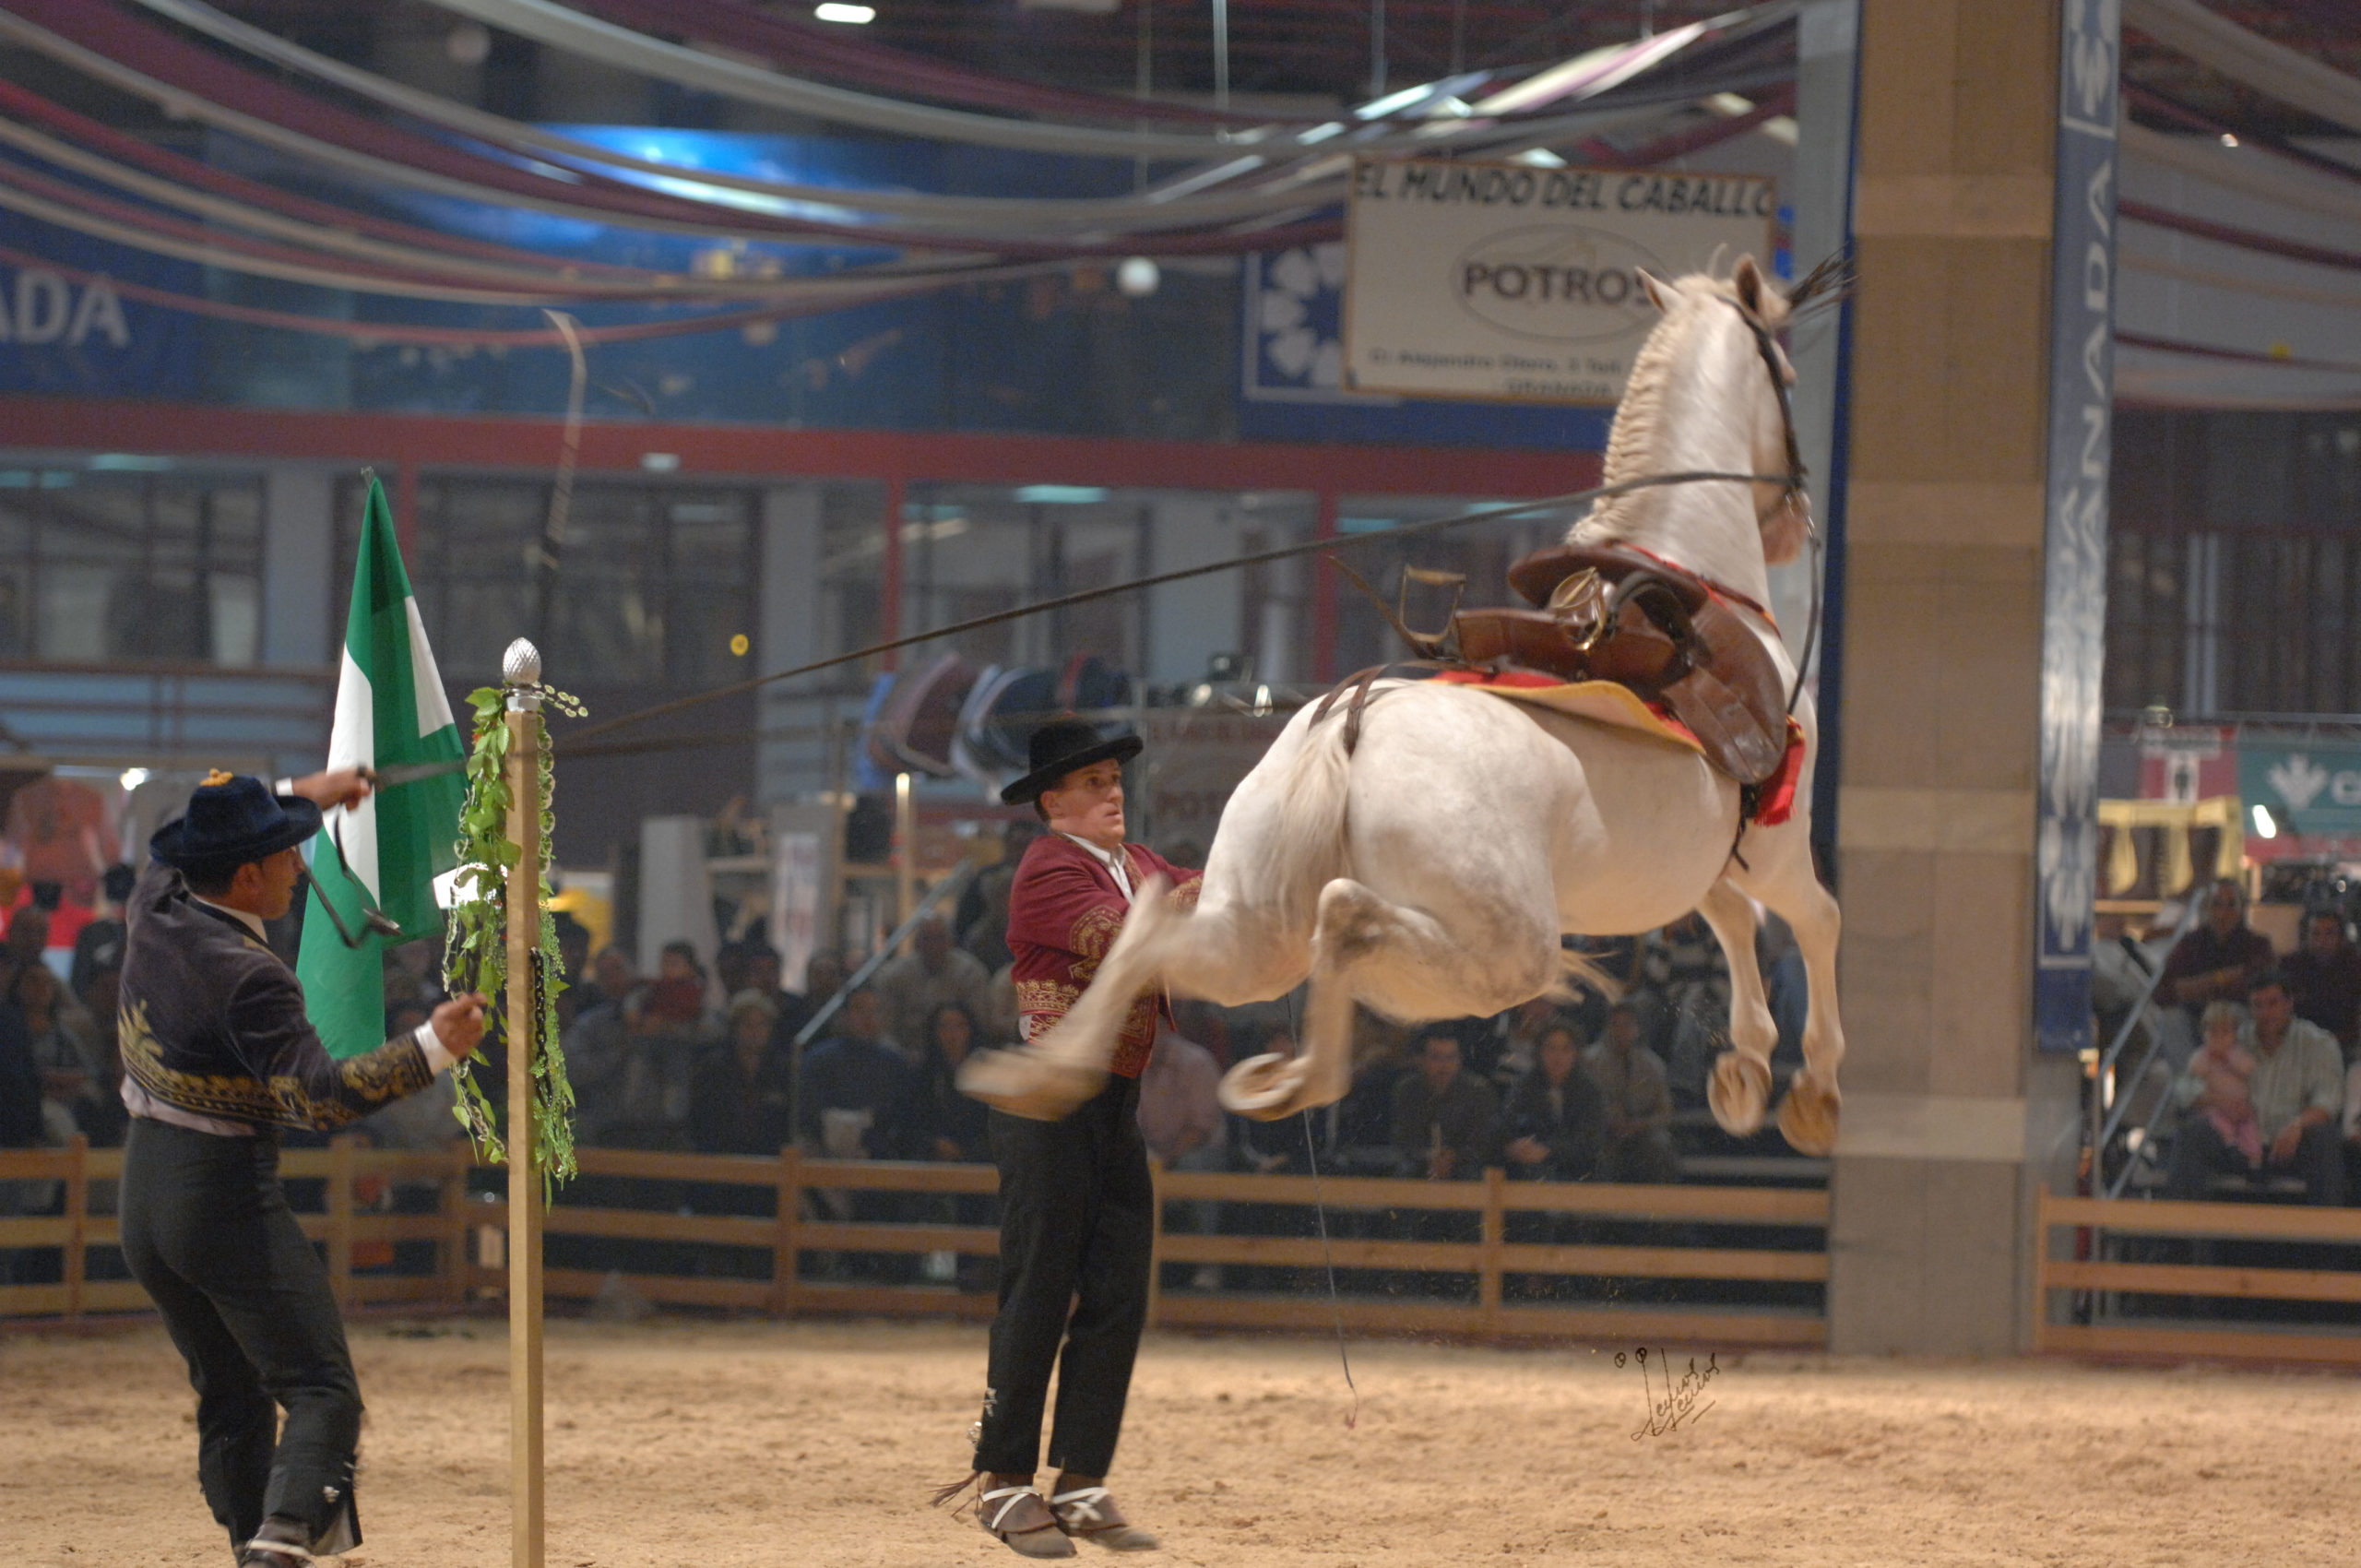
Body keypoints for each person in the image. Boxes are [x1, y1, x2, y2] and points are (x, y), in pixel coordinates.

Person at [114, 770, 486, 1568]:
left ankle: (255, 1543)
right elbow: (319, 1101)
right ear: (247, 875)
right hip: (217, 1192)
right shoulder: (248, 976)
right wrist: (433, 1047)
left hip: (144, 1189)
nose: (300, 864)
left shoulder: (157, 900)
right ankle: (281, 1547)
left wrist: (302, 792)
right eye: (288, 851)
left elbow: (193, 828)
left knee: (231, 1389)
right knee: (321, 1388)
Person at [954, 719, 1199, 1557]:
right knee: (1040, 1286)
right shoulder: (1048, 870)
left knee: (1119, 1288)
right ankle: (1005, 1481)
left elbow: (1195, 894)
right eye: (1091, 782)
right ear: (1052, 802)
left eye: (1113, 778)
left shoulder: (1137, 867)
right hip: (1048, 1109)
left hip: (1108, 1101)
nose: (1110, 791)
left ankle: (1082, 1479)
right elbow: (1121, 936)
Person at [2168, 970, 2344, 1205]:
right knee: (2191, 1133)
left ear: (2289, 1004)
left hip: (2290, 1143)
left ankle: (2328, 1237)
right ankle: (2183, 1236)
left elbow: (2328, 1099)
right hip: (2237, 1140)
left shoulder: (2318, 1043)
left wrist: (2297, 1125)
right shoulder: (2231, 1039)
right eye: (2258, 1005)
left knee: (2324, 1137)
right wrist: (2218, 1101)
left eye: (2273, 1004)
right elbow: (2184, 1088)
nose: (2266, 1013)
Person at [873, 914, 995, 1065]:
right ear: (916, 943)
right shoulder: (894, 976)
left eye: (939, 938)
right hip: (905, 1060)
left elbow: (979, 1025)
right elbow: (885, 1027)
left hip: (959, 1059)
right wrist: (899, 1057)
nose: (933, 945)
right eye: (927, 938)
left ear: (951, 941)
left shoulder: (971, 974)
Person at [1501, 1021, 1608, 1183]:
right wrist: (1514, 1146)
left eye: (1566, 1049)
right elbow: (1507, 1123)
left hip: (1578, 1165)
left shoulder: (1590, 1090)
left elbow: (1590, 1140)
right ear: (1540, 1051)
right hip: (1532, 1165)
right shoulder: (1525, 1085)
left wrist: (1549, 1150)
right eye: (1551, 1048)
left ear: (1576, 1053)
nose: (1558, 1056)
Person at [1586, 1002, 1679, 1184]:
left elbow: (1665, 1112)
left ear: (1637, 1028)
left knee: (1661, 1146)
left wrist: (1640, 1125)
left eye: (1627, 1024)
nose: (1621, 1030)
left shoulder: (1653, 1065)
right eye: (1615, 1024)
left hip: (1642, 1129)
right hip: (1602, 1129)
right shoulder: (1589, 1061)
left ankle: (1657, 1206)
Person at [1389, 1028, 1500, 1181]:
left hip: (1465, 1166)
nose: (1444, 1065)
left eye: (1451, 1058)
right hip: (1419, 1164)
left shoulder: (1478, 1091)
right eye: (1436, 1058)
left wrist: (1454, 1156)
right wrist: (1428, 1156)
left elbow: (1483, 1140)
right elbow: (1404, 1137)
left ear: (1460, 1060)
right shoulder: (1407, 1090)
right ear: (1421, 1060)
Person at [2159, 880, 2275, 1017]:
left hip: (2241, 1018)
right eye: (2216, 904)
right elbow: (2166, 990)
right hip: (2193, 1015)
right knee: (2171, 1018)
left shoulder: (2258, 945)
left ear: (2242, 909)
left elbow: (2260, 988)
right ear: (2207, 907)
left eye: (2231, 905)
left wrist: (2200, 986)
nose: (2222, 914)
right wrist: (2223, 978)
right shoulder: (2190, 943)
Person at [2184, 1002, 2261, 1169]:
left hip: (2241, 1107)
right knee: (2216, 1121)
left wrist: (2229, 1059)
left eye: (2225, 1033)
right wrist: (2210, 1059)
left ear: (2234, 1033)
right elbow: (2194, 1071)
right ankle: (2230, 1145)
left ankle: (2254, 1160)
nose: (2219, 1039)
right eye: (2213, 1033)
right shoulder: (2203, 1056)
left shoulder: (2237, 1054)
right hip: (2216, 1107)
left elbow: (2249, 1068)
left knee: (2250, 1130)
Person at [2281, 909, 2361, 1059]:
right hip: (2298, 1044)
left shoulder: (2354, 967)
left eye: (2329, 933)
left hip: (2343, 1045)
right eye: (2315, 933)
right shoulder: (2290, 966)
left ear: (2341, 937)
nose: (2321, 941)